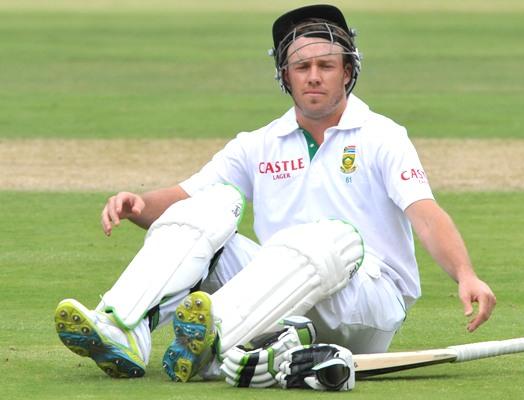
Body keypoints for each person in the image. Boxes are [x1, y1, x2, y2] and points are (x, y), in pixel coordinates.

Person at [54, 4, 495, 390]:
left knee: (330, 237)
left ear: (348, 70)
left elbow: (425, 213)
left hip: (368, 304)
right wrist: (139, 205)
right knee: (207, 208)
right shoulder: (257, 144)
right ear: (285, 75)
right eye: (302, 68)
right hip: (279, 304)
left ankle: (215, 340)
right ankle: (123, 328)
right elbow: (185, 197)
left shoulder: (383, 136)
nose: (315, 77)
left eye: (326, 65)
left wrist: (465, 274)